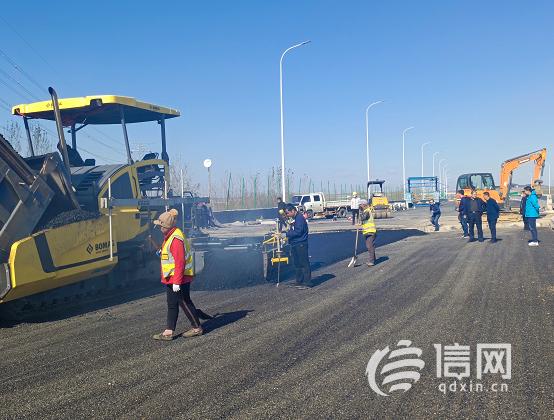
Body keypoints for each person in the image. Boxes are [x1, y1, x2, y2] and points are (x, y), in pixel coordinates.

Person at [152, 209, 203, 341]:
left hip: (179, 277)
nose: (159, 228)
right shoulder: (170, 235)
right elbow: (170, 255)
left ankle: (197, 328)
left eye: (160, 225)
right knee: (172, 303)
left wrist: (177, 282)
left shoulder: (175, 239)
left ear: (166, 226)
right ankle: (168, 331)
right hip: (172, 277)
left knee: (184, 301)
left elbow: (180, 262)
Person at [284, 204, 312, 286]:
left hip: (301, 244)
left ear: (293, 211)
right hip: (295, 244)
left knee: (304, 263)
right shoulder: (295, 219)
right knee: (297, 263)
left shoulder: (299, 218)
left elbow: (298, 232)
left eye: (288, 213)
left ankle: (308, 282)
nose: (287, 215)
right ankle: (299, 280)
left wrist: (287, 234)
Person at [360, 200, 377, 267]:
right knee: (370, 246)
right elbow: (364, 221)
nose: (360, 206)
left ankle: (371, 261)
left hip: (371, 232)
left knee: (369, 246)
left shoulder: (367, 211)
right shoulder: (365, 211)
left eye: (360, 205)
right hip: (367, 232)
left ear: (364, 205)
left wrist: (359, 216)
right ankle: (374, 259)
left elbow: (363, 218)